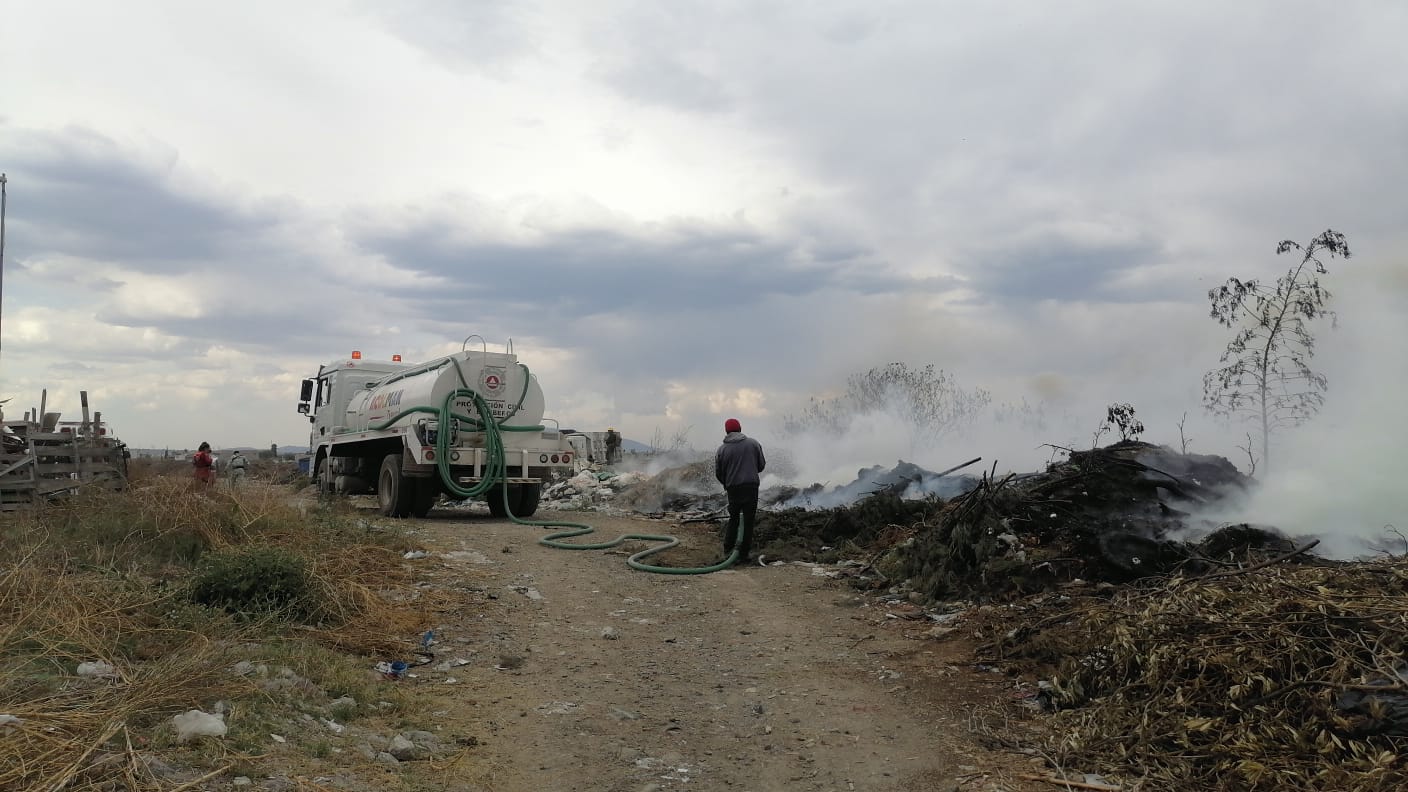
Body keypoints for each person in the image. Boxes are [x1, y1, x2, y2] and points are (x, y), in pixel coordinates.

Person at [714, 417, 766, 564]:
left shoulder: (722, 450)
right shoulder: (753, 443)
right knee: (749, 520)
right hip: (751, 487)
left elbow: (719, 473)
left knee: (734, 519)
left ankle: (728, 551)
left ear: (726, 431)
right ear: (740, 428)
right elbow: (761, 465)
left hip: (733, 489)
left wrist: (727, 483)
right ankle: (743, 554)